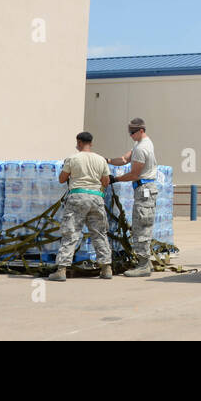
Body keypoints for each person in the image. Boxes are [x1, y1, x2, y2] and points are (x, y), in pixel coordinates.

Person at [50, 131, 113, 282]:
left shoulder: (72, 158)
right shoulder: (100, 160)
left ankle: (62, 270)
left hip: (77, 196)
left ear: (79, 142)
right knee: (99, 233)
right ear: (91, 143)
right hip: (96, 198)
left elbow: (62, 179)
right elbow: (106, 182)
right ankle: (106, 268)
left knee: (70, 233)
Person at [108, 118, 159, 277]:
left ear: (141, 130)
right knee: (140, 225)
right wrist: (107, 161)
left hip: (145, 189)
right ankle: (145, 263)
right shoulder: (140, 144)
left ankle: (143, 265)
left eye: (133, 133)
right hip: (143, 190)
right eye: (129, 132)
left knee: (141, 226)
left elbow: (134, 174)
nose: (130, 135)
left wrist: (115, 179)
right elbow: (124, 159)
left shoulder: (142, 148)